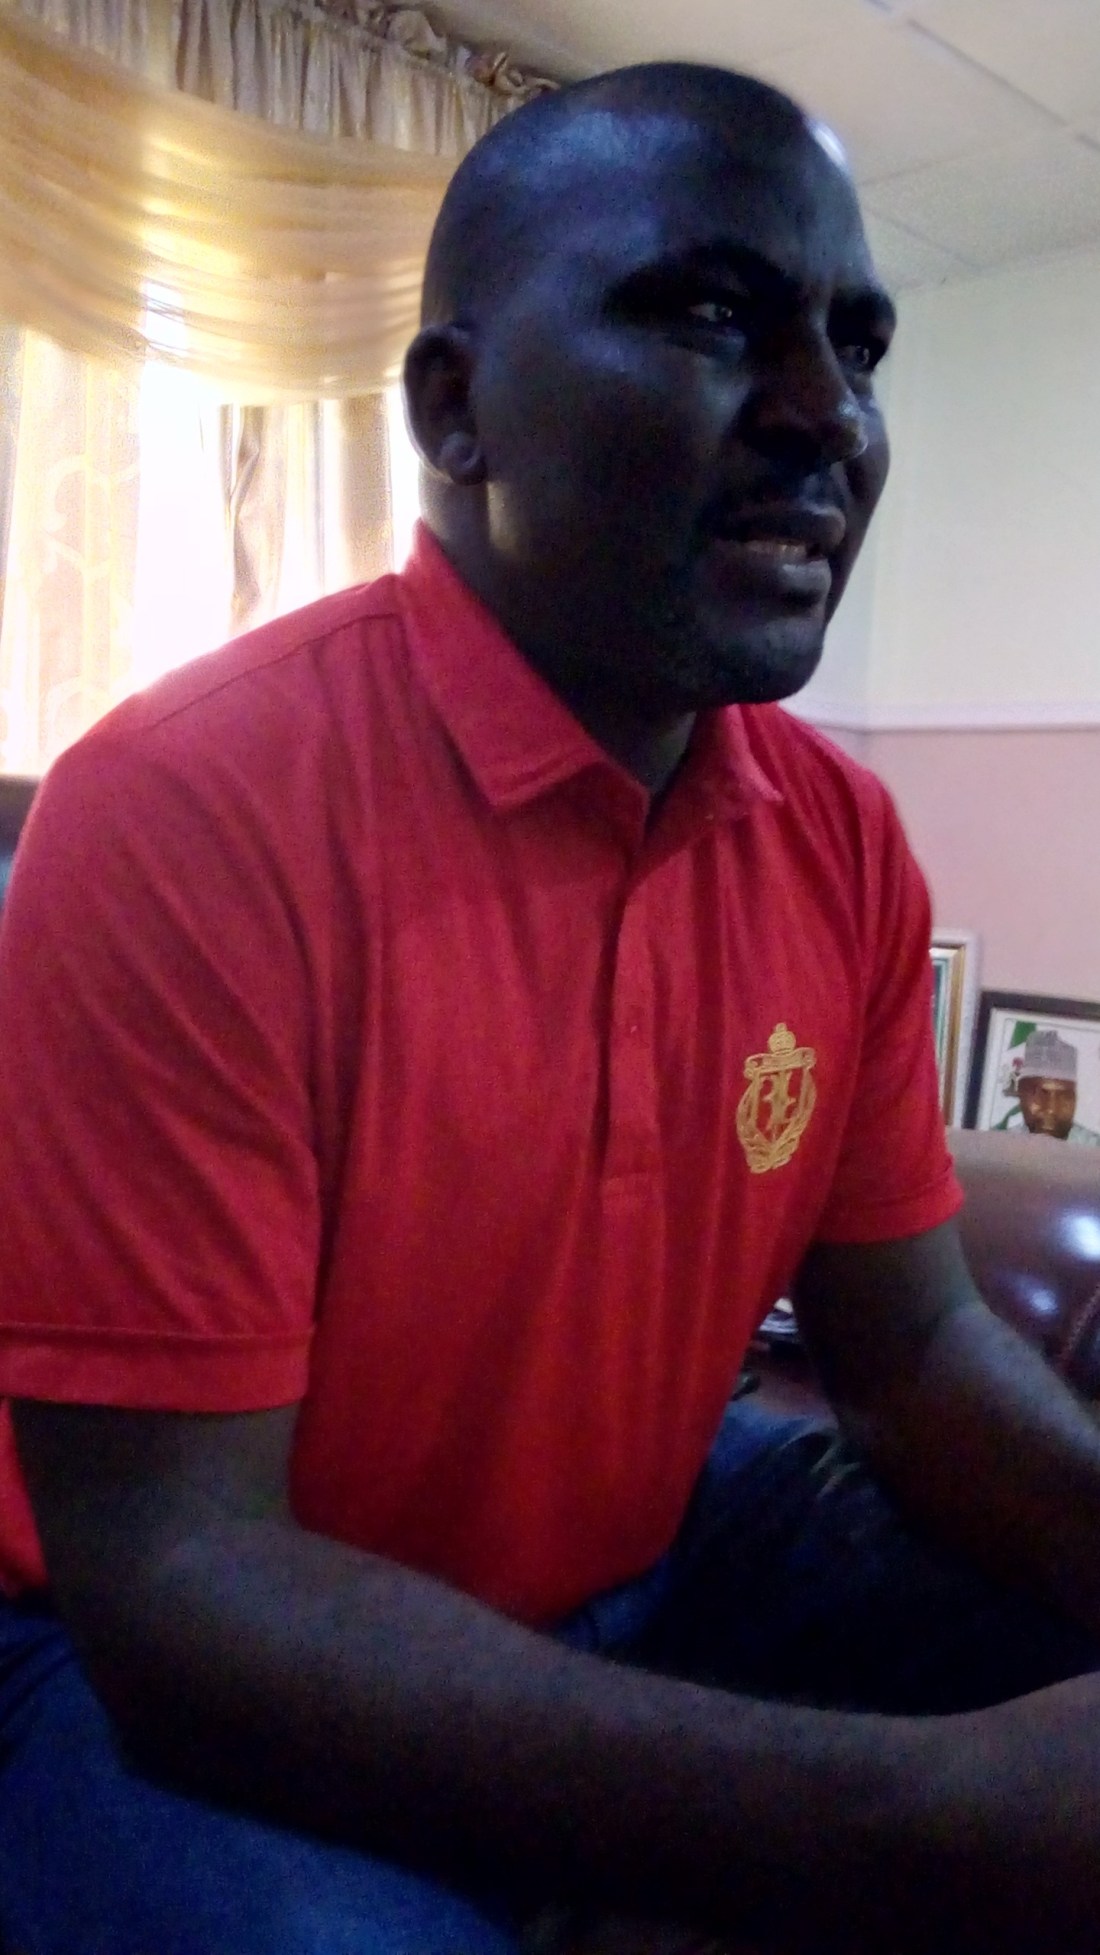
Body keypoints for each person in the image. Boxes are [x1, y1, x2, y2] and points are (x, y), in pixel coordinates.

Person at [4, 59, 1100, 1955]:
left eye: (858, 345)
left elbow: (916, 1351)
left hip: (659, 1541)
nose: (828, 416)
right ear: (455, 410)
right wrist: (909, 1823)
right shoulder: (186, 807)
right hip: (136, 1647)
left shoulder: (839, 837)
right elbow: (182, 1580)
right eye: (713, 317)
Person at [996, 1027, 1100, 1145]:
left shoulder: (1093, 1149)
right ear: (1021, 1093)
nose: (1051, 1109)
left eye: (1064, 1097)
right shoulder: (1000, 1147)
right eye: (1039, 1095)